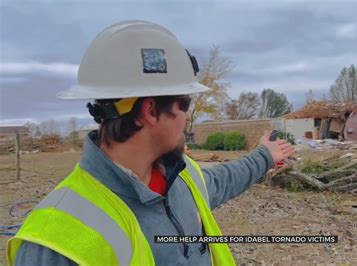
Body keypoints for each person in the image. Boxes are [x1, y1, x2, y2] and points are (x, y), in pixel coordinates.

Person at [7, 20, 295, 266]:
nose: (186, 118)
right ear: (151, 111)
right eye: (185, 103)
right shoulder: (54, 242)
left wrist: (264, 155)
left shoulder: (183, 178)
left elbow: (223, 180)